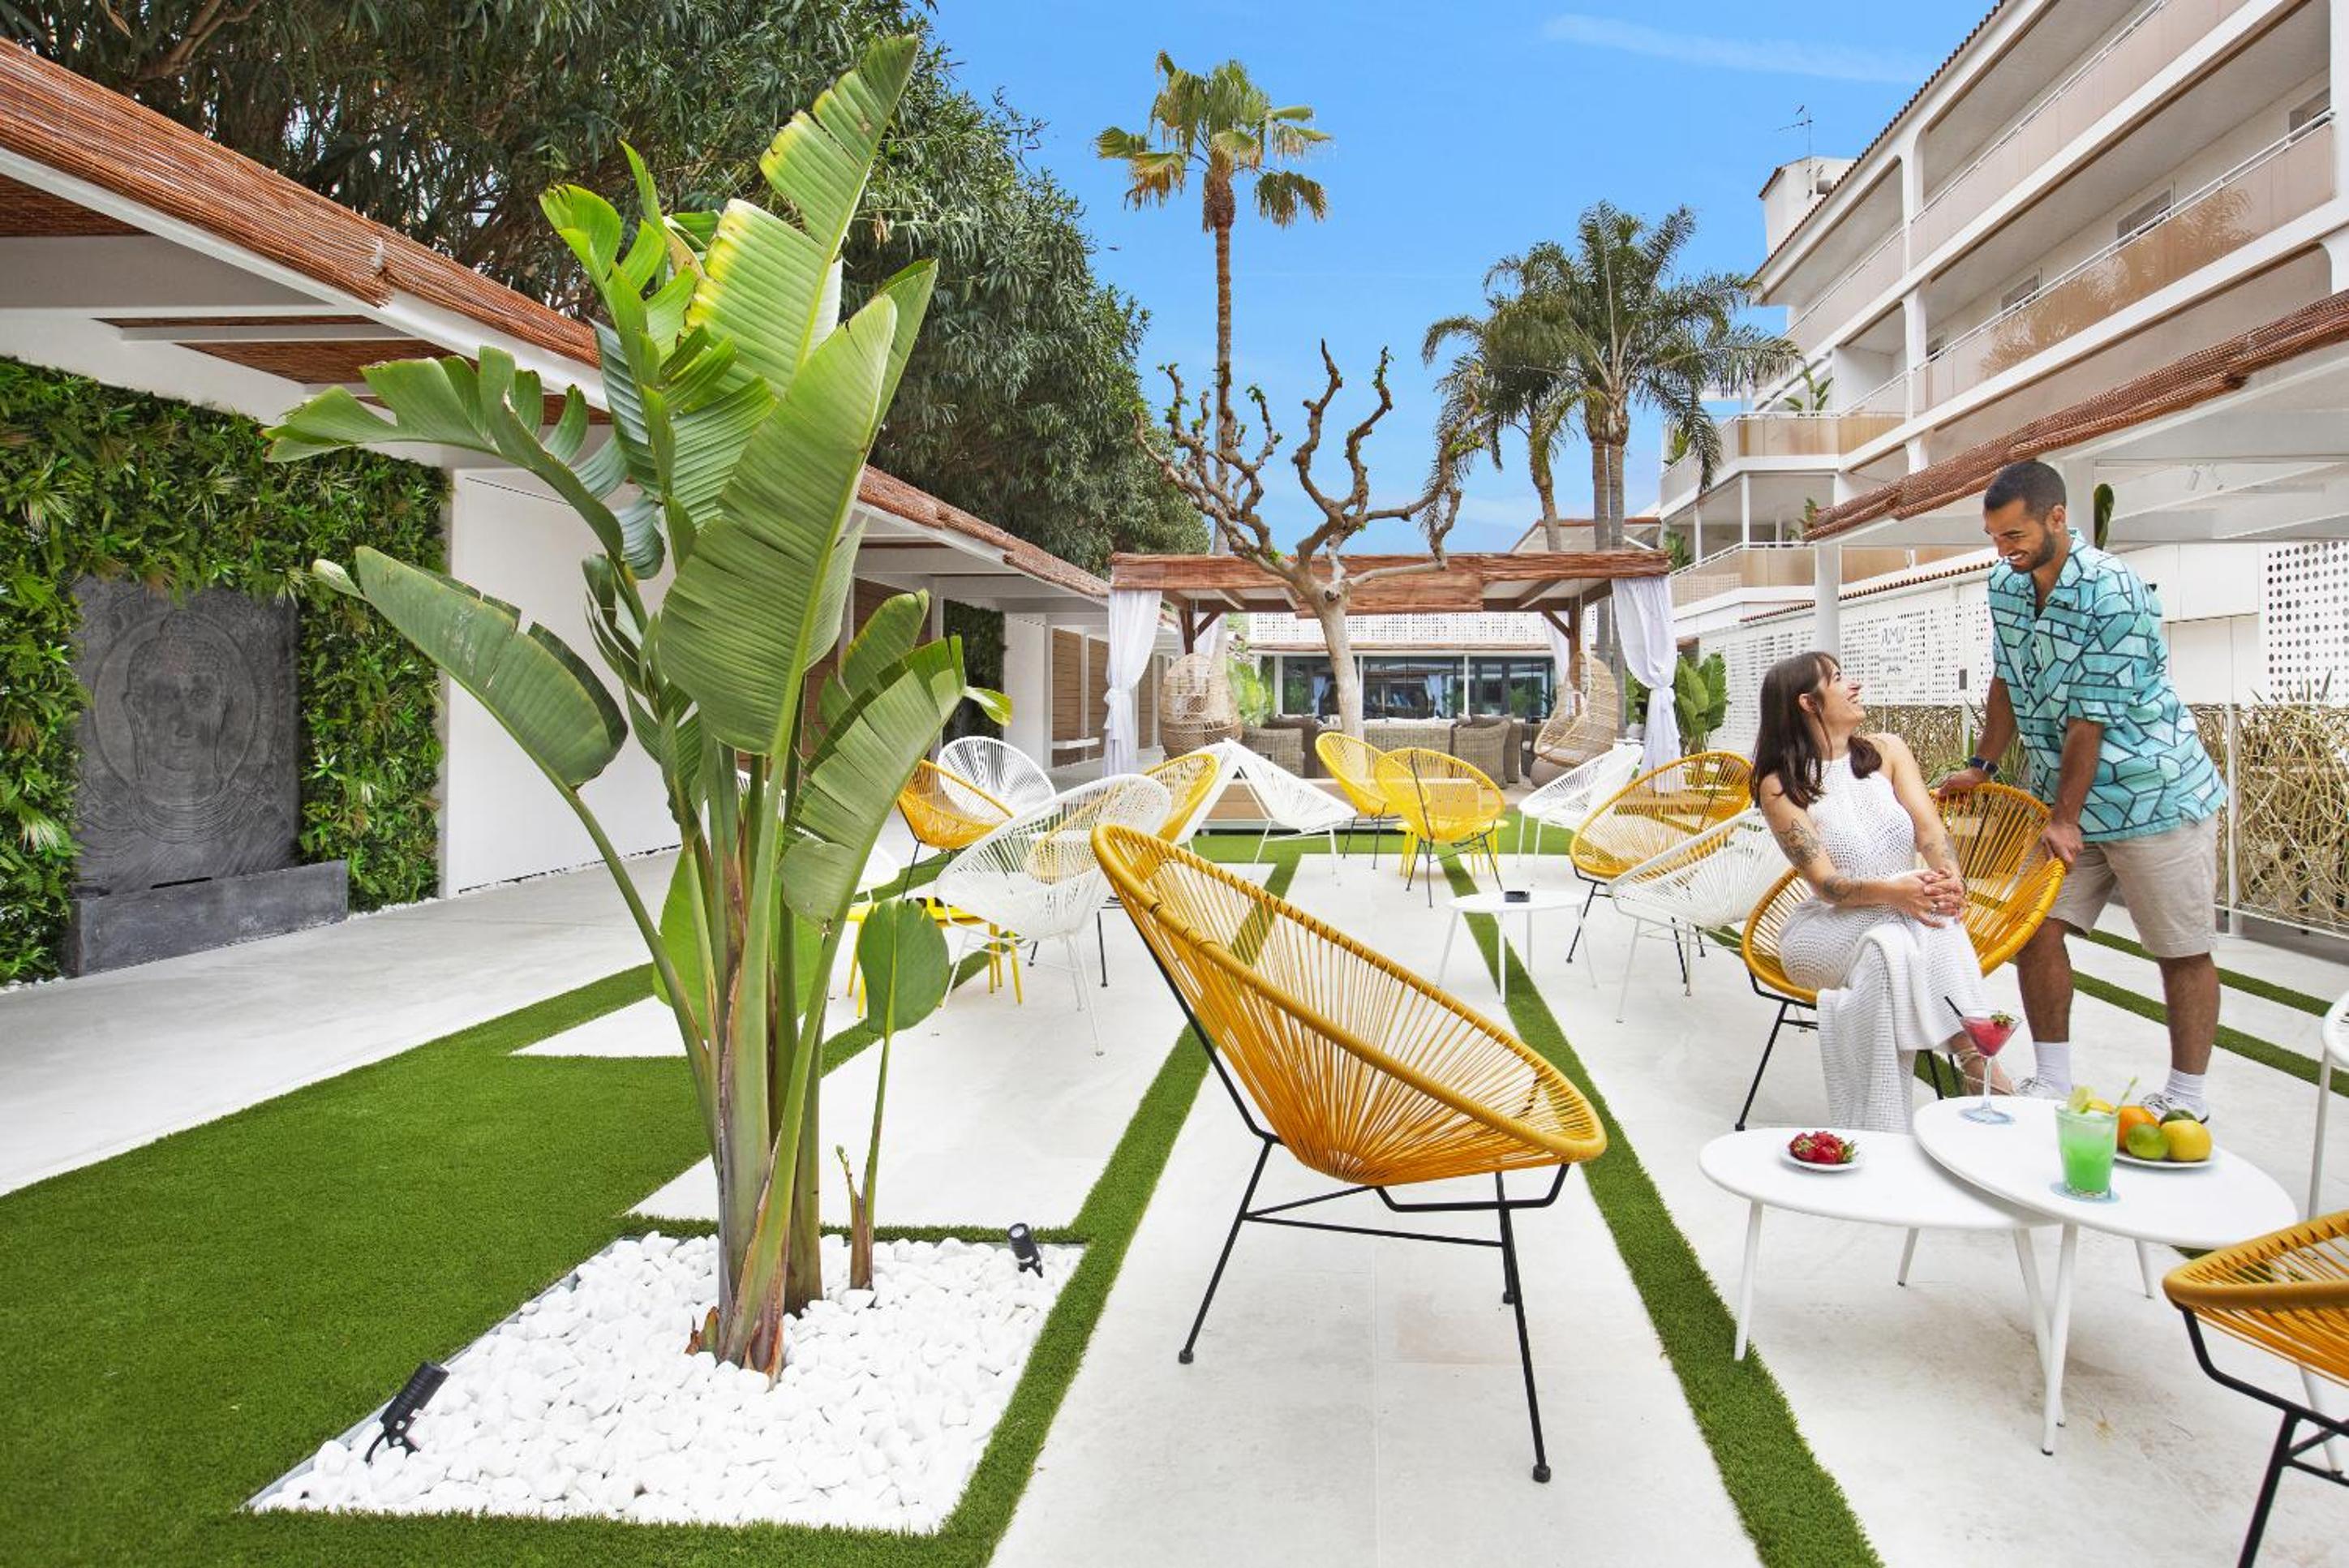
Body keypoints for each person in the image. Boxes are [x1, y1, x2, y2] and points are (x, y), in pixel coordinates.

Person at [1937, 459, 2227, 1119]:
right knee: (2035, 929)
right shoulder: (2006, 586)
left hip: (2153, 795)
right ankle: (2053, 1081)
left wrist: (2065, 819)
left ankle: (2187, 1099)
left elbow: (2087, 721)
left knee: (2181, 948)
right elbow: (2008, 677)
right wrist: (1982, 764)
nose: (2003, 550)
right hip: (2065, 801)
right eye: (1994, 537)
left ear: (2057, 518)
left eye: (2014, 535)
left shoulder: (2114, 591)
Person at [1751, 651, 1997, 1132]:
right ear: (1808, 703)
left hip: (1896, 920)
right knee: (1912, 925)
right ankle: (1979, 1061)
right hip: (1826, 932)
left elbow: (1930, 831)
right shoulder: (1780, 786)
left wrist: (1949, 876)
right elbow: (1826, 885)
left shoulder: (1889, 752)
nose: (1855, 685)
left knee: (1895, 943)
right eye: (1839, 679)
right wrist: (1896, 893)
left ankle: (1882, 1126)